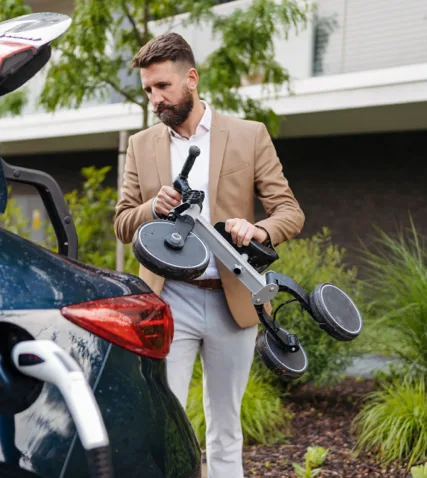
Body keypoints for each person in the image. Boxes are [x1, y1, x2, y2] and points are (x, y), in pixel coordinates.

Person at [113, 32, 305, 477]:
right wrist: (150, 208)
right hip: (167, 300)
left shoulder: (249, 135)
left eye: (162, 86)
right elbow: (123, 223)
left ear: (191, 79)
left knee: (226, 428)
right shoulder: (142, 145)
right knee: (165, 424)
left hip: (232, 298)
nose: (155, 99)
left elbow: (289, 213)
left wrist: (257, 228)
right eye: (148, 90)